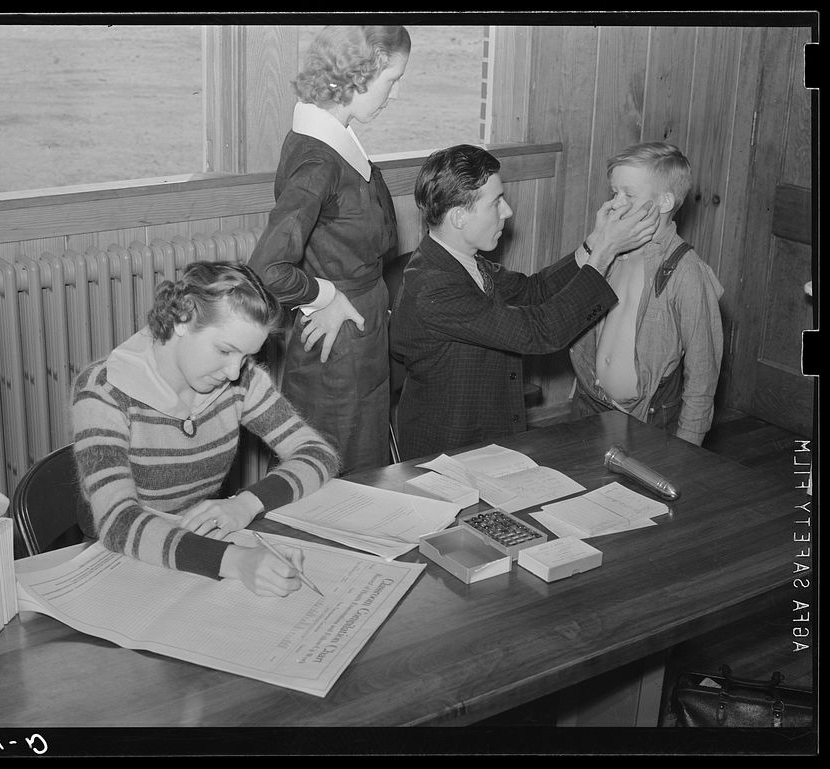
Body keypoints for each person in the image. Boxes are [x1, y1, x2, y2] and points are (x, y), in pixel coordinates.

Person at [71, 261, 340, 597]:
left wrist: (246, 504)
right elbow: (117, 521)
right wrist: (237, 561)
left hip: (199, 547)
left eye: (244, 357)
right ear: (183, 317)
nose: (232, 372)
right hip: (124, 564)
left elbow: (318, 454)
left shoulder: (242, 379)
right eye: (225, 350)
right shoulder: (104, 391)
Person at [389, 143, 661, 460]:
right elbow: (539, 332)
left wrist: (595, 243)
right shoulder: (433, 286)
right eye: (496, 202)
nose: (508, 211)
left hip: (483, 440)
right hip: (449, 454)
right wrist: (605, 255)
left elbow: (534, 290)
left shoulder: (462, 261)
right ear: (460, 217)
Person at [248, 25, 410, 475]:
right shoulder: (318, 157)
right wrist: (327, 296)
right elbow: (267, 269)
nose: (393, 95)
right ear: (363, 72)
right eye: (392, 80)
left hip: (360, 330)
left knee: (364, 466)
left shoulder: (335, 137)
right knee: (339, 476)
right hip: (338, 344)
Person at [569, 142, 724, 445]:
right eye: (614, 193)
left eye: (628, 194)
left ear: (664, 202)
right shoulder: (612, 251)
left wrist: (688, 444)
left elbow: (703, 370)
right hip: (591, 402)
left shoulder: (686, 271)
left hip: (646, 417)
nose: (615, 203)